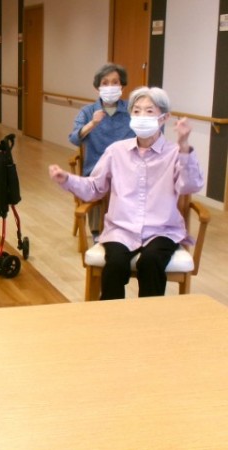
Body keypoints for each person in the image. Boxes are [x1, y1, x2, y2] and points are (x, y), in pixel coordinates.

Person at [50, 87, 204, 300]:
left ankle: (149, 317)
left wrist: (184, 145)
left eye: (149, 111)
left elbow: (191, 186)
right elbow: (95, 188)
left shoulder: (175, 153)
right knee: (115, 265)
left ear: (164, 117)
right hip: (121, 229)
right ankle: (111, 317)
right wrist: (67, 179)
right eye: (137, 111)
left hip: (162, 230)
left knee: (151, 262)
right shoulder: (116, 151)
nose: (142, 116)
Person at [69, 63, 135, 240]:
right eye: (105, 83)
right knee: (100, 182)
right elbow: (74, 138)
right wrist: (92, 124)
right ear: (98, 87)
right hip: (96, 168)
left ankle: (128, 230)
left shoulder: (132, 110)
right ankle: (98, 232)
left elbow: (149, 134)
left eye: (115, 82)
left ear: (122, 86)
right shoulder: (88, 111)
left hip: (126, 168)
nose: (110, 86)